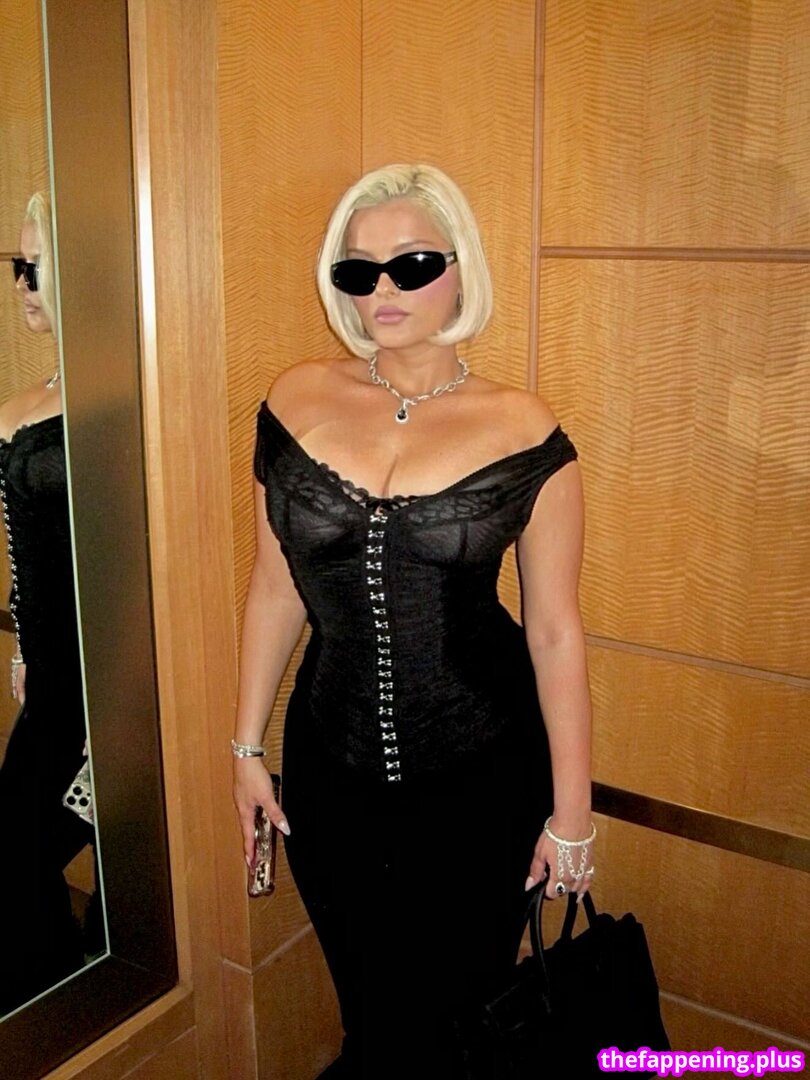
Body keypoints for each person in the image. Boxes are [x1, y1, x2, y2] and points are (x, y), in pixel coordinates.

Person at [233, 164, 594, 1078]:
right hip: (330, 770)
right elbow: (275, 589)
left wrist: (573, 813)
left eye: (413, 263)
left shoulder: (523, 426)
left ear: (461, 268)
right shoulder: (294, 400)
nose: (383, 289)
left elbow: (554, 630)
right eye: (359, 270)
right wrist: (245, 749)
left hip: (483, 772)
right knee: (369, 1013)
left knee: (458, 1018)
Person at [0, 191, 97, 1014]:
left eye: (40, 266)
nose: (24, 285)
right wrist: (24, 645)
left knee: (20, 856)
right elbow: (25, 542)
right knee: (15, 859)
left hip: (113, 685)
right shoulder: (29, 401)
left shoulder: (124, 398)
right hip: (53, 682)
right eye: (18, 266)